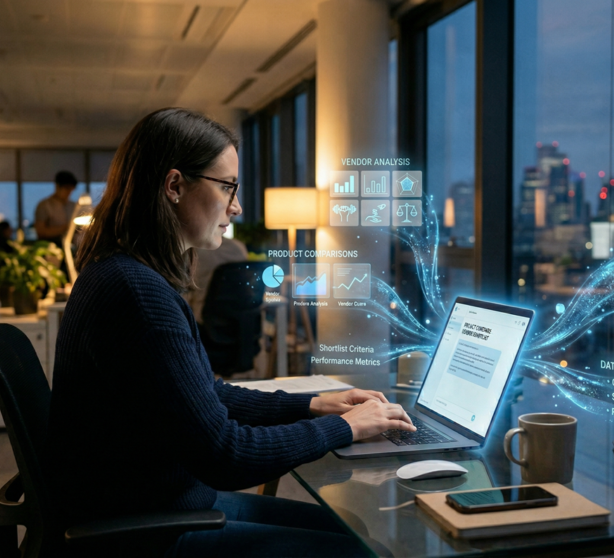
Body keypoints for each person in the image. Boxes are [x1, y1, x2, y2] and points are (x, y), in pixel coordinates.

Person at [49, 108, 415, 557]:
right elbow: (225, 456)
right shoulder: (139, 295)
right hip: (148, 533)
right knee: (358, 549)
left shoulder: (123, 274)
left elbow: (205, 394)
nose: (236, 206)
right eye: (227, 188)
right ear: (174, 186)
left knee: (350, 530)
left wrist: (314, 404)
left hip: (156, 506)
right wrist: (344, 428)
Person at [184, 236, 249, 323]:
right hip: (240, 318)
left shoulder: (194, 250)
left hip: (205, 319)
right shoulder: (239, 247)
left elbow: (185, 287)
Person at [33, 170, 77, 244]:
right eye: (67, 188)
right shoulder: (44, 205)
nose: (69, 192)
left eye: (71, 189)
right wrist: (67, 227)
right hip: (51, 247)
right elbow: (40, 232)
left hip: (71, 245)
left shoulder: (73, 206)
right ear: (57, 186)